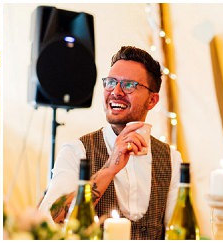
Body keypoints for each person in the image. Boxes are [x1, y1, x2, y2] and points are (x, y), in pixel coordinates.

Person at [39, 46, 182, 240]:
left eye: (129, 85)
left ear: (152, 100)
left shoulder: (171, 158)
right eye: (111, 82)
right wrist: (109, 169)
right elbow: (47, 224)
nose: (116, 91)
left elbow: (179, 235)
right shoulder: (76, 151)